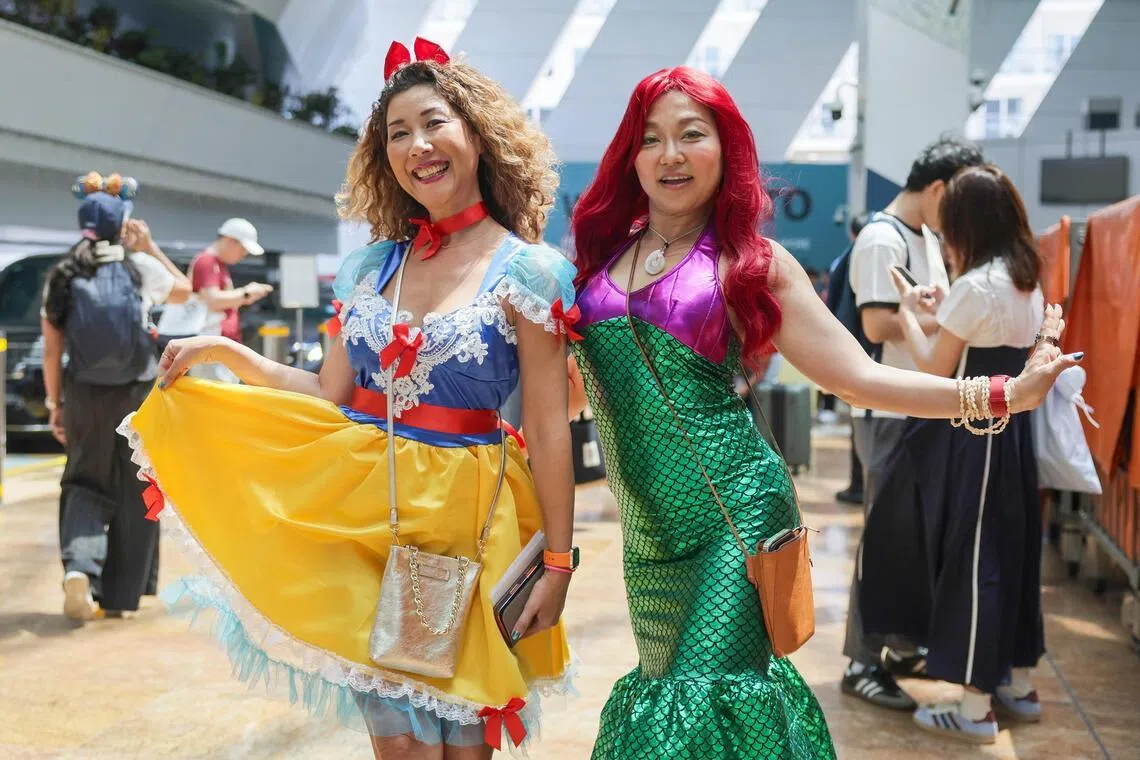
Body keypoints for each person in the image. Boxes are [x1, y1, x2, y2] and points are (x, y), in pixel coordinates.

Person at [566, 66, 1076, 759]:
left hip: (734, 519)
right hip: (649, 537)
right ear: (631, 155)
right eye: (651, 139)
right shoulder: (599, 265)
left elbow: (861, 378)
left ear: (728, 150)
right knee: (677, 701)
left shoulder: (753, 263)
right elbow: (575, 386)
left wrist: (997, 395)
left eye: (692, 135)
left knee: (700, 700)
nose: (671, 155)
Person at [117, 38, 575, 759]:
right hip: (365, 516)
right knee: (398, 748)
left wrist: (557, 562)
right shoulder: (370, 267)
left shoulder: (532, 271)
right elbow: (330, 393)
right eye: (398, 133)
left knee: (462, 746)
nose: (417, 145)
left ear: (477, 137)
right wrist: (224, 352)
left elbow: (549, 430)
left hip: (471, 520)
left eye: (433, 123)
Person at [860, 165, 1052, 743]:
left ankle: (973, 709)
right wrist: (945, 306)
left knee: (974, 562)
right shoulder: (1025, 280)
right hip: (1013, 436)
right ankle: (1016, 686)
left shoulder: (976, 287)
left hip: (975, 436)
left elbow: (933, 367)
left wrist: (906, 310)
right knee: (1012, 554)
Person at [842, 137, 985, 709]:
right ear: (938, 189)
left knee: (911, 540)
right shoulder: (882, 239)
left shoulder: (920, 237)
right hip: (889, 410)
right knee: (884, 541)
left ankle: (899, 647)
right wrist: (950, 322)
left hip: (917, 406)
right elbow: (876, 326)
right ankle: (859, 661)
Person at [41, 172, 192, 622]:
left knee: (84, 481)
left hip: (84, 391)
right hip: (137, 392)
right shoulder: (136, 267)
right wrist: (149, 248)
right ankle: (121, 596)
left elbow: (52, 348)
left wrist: (56, 405)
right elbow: (185, 290)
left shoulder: (63, 273)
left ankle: (81, 567)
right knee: (135, 484)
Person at [187, 217, 274, 381]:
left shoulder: (217, 264)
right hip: (212, 344)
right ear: (230, 240)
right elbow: (212, 299)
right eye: (243, 249)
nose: (244, 254)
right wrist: (246, 293)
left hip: (219, 344)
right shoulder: (207, 261)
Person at [833, 212, 867, 501]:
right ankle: (858, 482)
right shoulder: (856, 257)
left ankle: (859, 483)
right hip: (862, 347)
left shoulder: (846, 258)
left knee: (860, 416)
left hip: (855, 346)